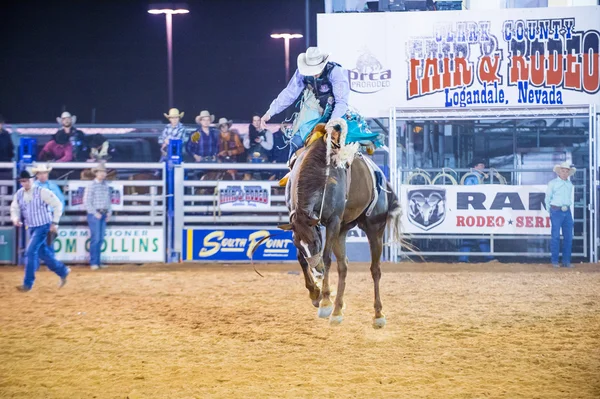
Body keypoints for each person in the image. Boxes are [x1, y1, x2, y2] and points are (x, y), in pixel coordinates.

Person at [260, 47, 382, 185]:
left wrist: (331, 123)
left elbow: (341, 102)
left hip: (335, 110)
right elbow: (290, 93)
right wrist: (270, 113)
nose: (313, 74)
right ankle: (293, 172)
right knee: (296, 140)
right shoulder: (302, 73)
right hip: (314, 109)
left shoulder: (336, 72)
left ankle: (357, 171)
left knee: (346, 137)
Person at [10, 170, 70, 292]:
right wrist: (15, 218)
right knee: (43, 254)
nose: (24, 183)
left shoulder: (42, 192)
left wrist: (55, 222)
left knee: (30, 251)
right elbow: (14, 208)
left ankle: (28, 284)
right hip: (32, 227)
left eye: (26, 181)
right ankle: (63, 271)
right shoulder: (19, 194)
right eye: (22, 181)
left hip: (43, 226)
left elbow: (57, 204)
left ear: (32, 179)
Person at [458, 158, 494, 263]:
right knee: (480, 234)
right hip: (473, 210)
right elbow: (470, 192)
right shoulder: (472, 178)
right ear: (475, 167)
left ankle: (463, 258)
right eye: (480, 165)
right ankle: (488, 258)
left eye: (483, 165)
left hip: (473, 210)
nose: (483, 167)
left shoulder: (476, 177)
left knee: (471, 234)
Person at [545, 161, 575, 268]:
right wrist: (551, 211)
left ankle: (566, 261)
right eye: (563, 171)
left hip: (566, 211)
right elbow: (547, 198)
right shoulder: (553, 183)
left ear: (568, 173)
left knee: (568, 236)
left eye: (567, 171)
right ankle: (555, 261)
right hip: (556, 210)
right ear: (559, 172)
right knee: (556, 236)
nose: (565, 173)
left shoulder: (569, 184)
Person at [83, 163, 112, 270]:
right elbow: (87, 202)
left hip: (102, 213)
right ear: (96, 173)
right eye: (100, 172)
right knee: (96, 238)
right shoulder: (91, 185)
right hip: (95, 214)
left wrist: (109, 212)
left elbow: (108, 200)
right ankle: (94, 262)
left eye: (104, 172)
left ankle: (97, 262)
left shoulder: (105, 185)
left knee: (99, 239)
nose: (103, 174)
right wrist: (95, 213)